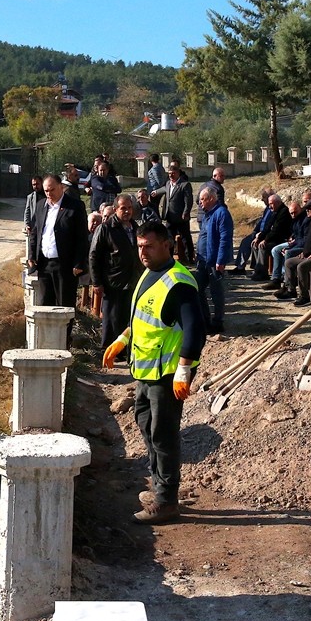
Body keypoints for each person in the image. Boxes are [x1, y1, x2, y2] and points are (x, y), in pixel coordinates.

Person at [102, 221, 206, 525]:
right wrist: (122, 339)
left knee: (163, 435)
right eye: (139, 246)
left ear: (166, 245)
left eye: (148, 246)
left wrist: (184, 369)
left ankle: (166, 501)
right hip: (145, 372)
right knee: (147, 428)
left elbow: (195, 329)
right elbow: (145, 319)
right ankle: (159, 486)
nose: (142, 252)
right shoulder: (150, 274)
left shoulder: (179, 283)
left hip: (167, 375)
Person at [89, 194, 140, 362]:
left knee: (126, 316)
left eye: (129, 208)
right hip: (112, 280)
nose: (126, 211)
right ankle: (108, 351)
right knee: (111, 318)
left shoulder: (134, 226)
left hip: (131, 280)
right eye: (123, 208)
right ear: (116, 209)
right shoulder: (105, 228)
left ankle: (123, 350)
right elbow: (94, 256)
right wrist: (96, 282)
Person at [28, 173, 89, 311]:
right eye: (46, 191)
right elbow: (35, 233)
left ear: (61, 187)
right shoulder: (40, 206)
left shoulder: (75, 206)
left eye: (52, 189)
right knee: (45, 304)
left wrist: (79, 262)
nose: (49, 194)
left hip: (65, 266)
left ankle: (65, 333)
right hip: (44, 264)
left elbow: (82, 237)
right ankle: (47, 334)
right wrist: (32, 256)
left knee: (64, 305)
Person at [195, 186, 233, 334]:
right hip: (203, 260)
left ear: (211, 198)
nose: (200, 203)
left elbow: (225, 238)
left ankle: (218, 322)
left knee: (216, 292)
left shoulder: (221, 213)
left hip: (214, 261)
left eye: (202, 200)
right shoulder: (207, 214)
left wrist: (221, 260)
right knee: (197, 288)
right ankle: (205, 320)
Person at [265, 193, 311, 291]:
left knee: (288, 252)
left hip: (303, 246)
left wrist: (291, 246)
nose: (293, 215)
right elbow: (295, 233)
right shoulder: (295, 219)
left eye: (295, 212)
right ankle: (276, 278)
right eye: (291, 213)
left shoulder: (306, 219)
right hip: (295, 242)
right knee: (276, 250)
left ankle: (287, 283)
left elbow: (305, 239)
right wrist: (291, 239)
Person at [232, 186, 275, 273]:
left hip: (266, 235)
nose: (262, 200)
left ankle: (245, 268)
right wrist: (255, 231)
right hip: (259, 233)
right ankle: (241, 266)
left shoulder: (273, 209)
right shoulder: (267, 209)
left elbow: (270, 226)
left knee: (248, 243)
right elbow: (262, 221)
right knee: (246, 241)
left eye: (264, 198)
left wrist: (260, 235)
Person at [250, 194, 292, 282]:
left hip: (281, 239)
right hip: (274, 237)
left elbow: (276, 230)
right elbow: (268, 227)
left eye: (271, 204)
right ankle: (257, 269)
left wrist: (265, 240)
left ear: (278, 203)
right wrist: (259, 238)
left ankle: (262, 273)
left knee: (263, 247)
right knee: (255, 244)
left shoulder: (283, 212)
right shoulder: (275, 212)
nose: (270, 206)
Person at [162, 162, 194, 265]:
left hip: (181, 217)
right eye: (169, 173)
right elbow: (167, 198)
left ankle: (190, 258)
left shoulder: (185, 184)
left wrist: (186, 212)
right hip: (170, 217)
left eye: (173, 173)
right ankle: (169, 259)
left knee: (186, 238)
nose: (171, 175)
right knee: (169, 239)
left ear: (178, 173)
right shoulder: (168, 184)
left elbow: (188, 201)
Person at [194, 167, 226, 260]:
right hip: (211, 218)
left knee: (203, 240)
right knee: (211, 242)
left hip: (201, 217)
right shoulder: (218, 188)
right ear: (215, 176)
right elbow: (219, 205)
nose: (224, 178)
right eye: (222, 176)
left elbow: (197, 200)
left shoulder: (203, 185)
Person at [22, 176, 44, 260]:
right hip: (34, 226)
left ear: (42, 183)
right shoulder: (30, 197)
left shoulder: (47, 195)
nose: (35, 186)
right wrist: (27, 224)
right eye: (33, 184)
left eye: (37, 184)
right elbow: (27, 212)